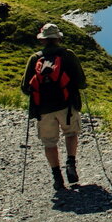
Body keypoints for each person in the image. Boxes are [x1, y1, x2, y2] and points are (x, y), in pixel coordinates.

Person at [21, 23, 87, 192]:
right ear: (58, 38)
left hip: (43, 109)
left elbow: (25, 87)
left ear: (43, 40)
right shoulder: (68, 55)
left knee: (49, 143)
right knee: (71, 133)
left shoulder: (35, 59)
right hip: (66, 106)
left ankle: (57, 177)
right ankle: (71, 164)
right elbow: (81, 82)